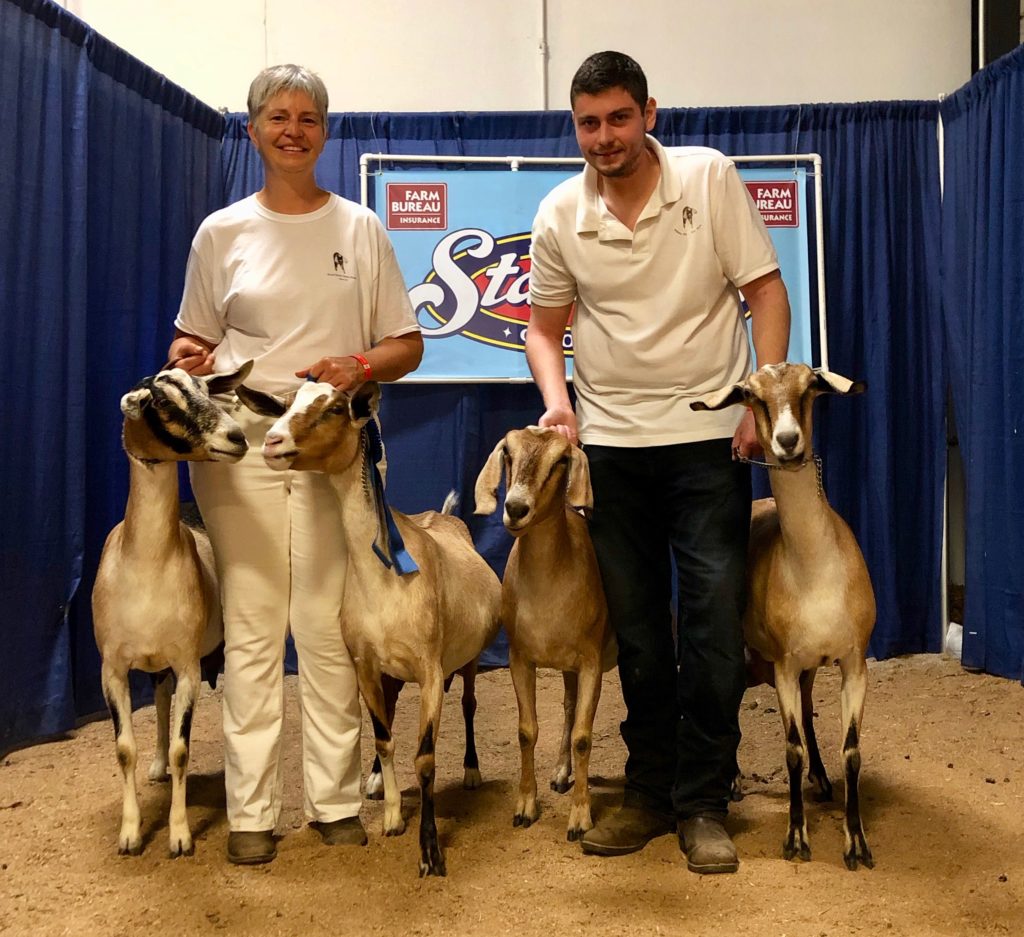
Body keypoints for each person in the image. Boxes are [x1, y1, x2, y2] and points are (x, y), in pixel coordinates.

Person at [526, 51, 791, 874]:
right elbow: (543, 328)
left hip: (709, 439)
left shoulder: (709, 179)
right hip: (610, 446)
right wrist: (559, 399)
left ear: (649, 113)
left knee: (712, 623)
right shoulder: (560, 211)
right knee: (637, 628)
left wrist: (759, 397)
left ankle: (705, 798)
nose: (603, 137)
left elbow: (766, 293)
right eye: (587, 122)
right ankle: (648, 787)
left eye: (617, 117)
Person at [168, 64, 423, 865]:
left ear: (324, 131)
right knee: (248, 623)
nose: (293, 128)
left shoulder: (362, 230)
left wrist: (358, 363)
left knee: (323, 622)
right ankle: (250, 811)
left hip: (327, 448)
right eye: (277, 116)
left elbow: (407, 345)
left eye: (308, 117)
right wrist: (187, 354)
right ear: (252, 130)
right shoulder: (221, 233)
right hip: (240, 443)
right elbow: (194, 343)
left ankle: (337, 798)